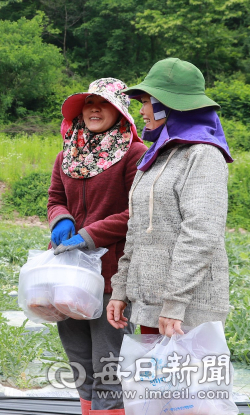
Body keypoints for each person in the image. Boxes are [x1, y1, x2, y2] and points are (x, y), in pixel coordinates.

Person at [107, 58, 233, 339]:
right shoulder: (156, 155)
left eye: (145, 102)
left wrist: (175, 303)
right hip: (153, 306)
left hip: (185, 314)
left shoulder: (203, 155)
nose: (141, 112)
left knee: (186, 384)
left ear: (167, 103)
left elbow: (201, 234)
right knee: (152, 384)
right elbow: (137, 230)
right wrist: (122, 289)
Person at [47, 78, 148, 415]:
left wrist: (89, 235)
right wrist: (61, 219)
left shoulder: (135, 154)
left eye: (103, 103)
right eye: (89, 103)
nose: (93, 108)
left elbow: (137, 212)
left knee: (109, 368)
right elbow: (55, 199)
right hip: (70, 273)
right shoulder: (67, 153)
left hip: (112, 276)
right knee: (80, 365)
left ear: (119, 111)